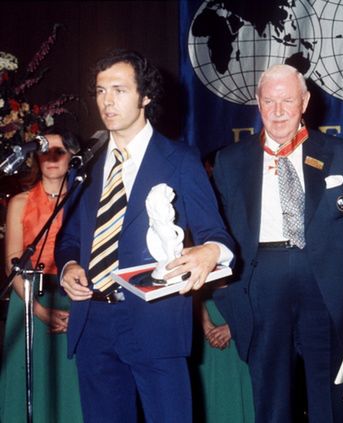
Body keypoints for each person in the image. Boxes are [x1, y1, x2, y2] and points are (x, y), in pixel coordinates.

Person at [55, 50, 234, 423]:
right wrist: (69, 264)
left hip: (156, 323)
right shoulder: (86, 162)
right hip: (93, 323)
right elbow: (69, 237)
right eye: (101, 91)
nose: (107, 101)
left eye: (119, 90)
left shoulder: (180, 159)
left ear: (146, 96)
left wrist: (209, 252)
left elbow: (217, 235)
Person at [212, 64, 343, 423]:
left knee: (330, 399)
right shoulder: (230, 160)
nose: (277, 111)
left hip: (324, 285)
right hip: (261, 283)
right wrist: (228, 297)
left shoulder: (338, 153)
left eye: (287, 100)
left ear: (304, 101)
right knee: (271, 399)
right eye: (268, 101)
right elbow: (217, 234)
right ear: (257, 103)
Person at [0, 131, 82, 422]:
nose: (52, 157)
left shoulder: (84, 202)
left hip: (73, 296)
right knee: (32, 387)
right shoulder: (20, 203)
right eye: (46, 150)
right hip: (29, 299)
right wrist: (38, 310)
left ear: (73, 156)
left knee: (72, 387)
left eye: (60, 151)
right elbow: (12, 264)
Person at [190, 289, 255, 423]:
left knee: (246, 393)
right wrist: (204, 322)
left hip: (246, 318)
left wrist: (236, 325)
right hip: (201, 313)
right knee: (210, 394)